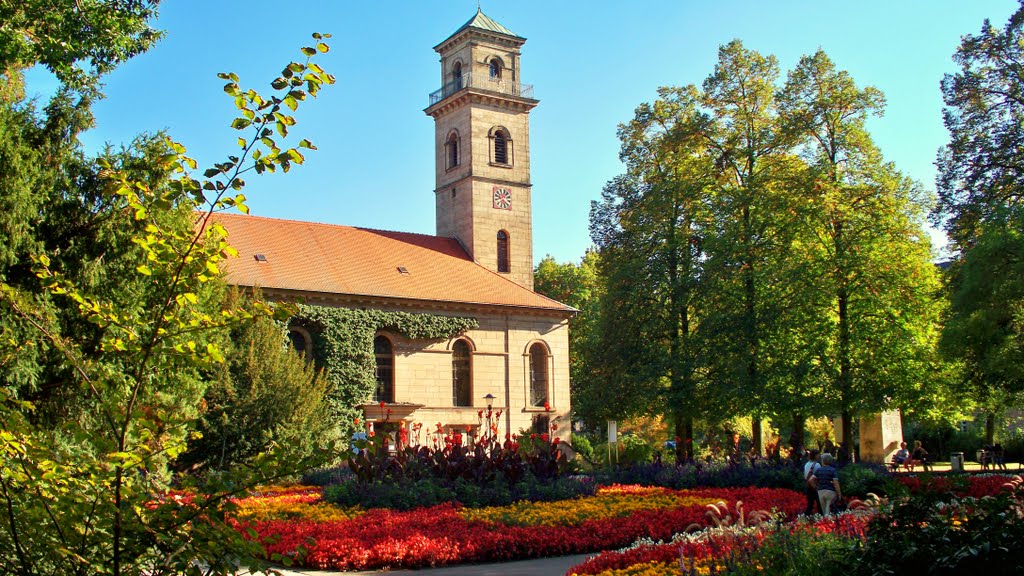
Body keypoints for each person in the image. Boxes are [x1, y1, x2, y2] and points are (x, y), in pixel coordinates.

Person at [803, 449, 821, 515]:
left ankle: (807, 517)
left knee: (810, 504)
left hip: (808, 486)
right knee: (820, 504)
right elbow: (818, 475)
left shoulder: (806, 464)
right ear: (815, 455)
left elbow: (805, 476)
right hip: (815, 486)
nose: (819, 456)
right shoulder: (817, 465)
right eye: (818, 454)